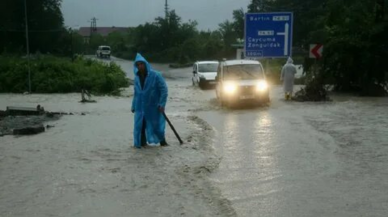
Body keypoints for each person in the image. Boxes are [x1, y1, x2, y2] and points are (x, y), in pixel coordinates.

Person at [131, 53, 168, 149]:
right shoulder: (137, 78)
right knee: (139, 127)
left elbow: (164, 90)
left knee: (157, 126)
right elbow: (136, 93)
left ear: (145, 64)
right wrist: (133, 105)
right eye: (138, 65)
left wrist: (162, 104)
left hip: (153, 106)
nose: (140, 66)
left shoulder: (156, 75)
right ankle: (141, 145)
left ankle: (163, 143)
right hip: (140, 107)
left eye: (141, 64)